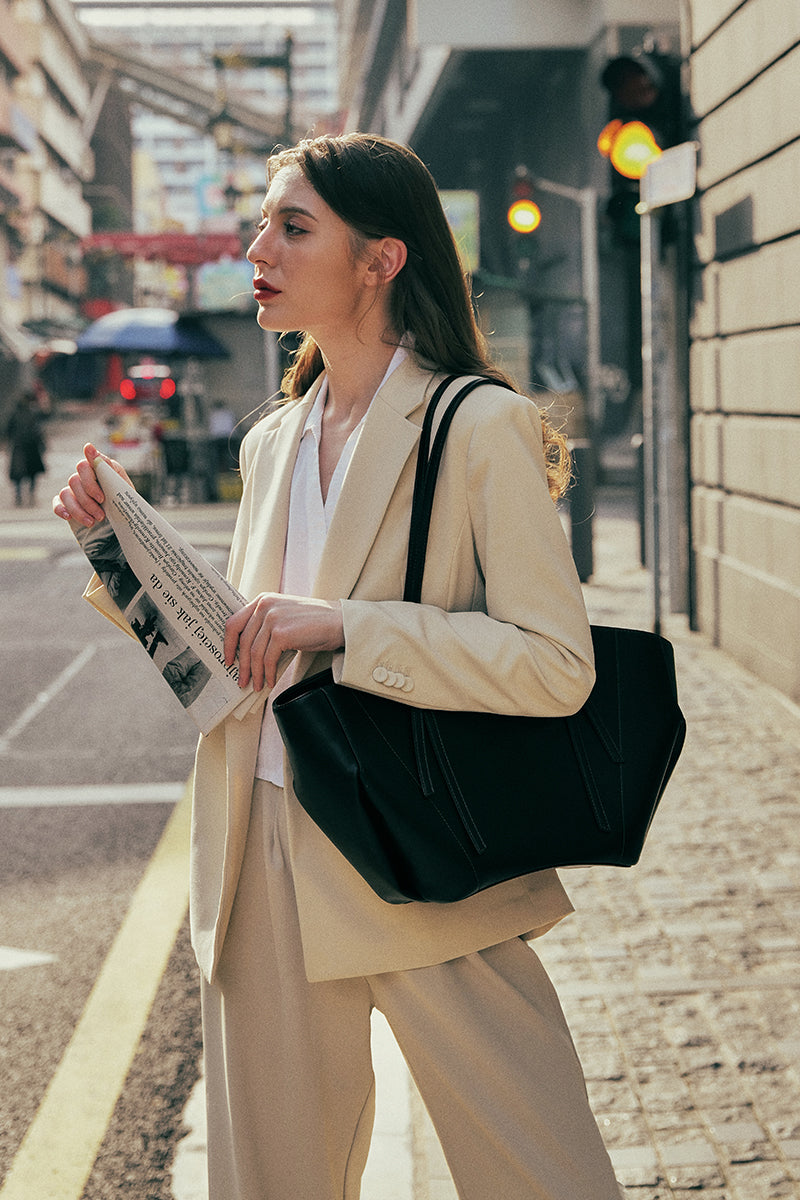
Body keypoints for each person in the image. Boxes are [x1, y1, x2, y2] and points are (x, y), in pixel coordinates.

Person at [54, 133, 623, 1200]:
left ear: (380, 259)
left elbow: (556, 668)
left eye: (292, 226)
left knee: (540, 1173)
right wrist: (120, 557)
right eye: (263, 223)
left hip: (416, 840)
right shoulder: (271, 441)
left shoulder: (478, 425)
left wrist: (349, 627)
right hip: (258, 850)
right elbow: (239, 666)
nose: (257, 246)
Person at [7, 391, 46, 506]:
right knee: (31, 473)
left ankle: (21, 495)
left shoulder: (16, 414)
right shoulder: (31, 413)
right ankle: (28, 495)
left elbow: (8, 431)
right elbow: (38, 431)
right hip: (30, 447)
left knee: (20, 474)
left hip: (21, 446)